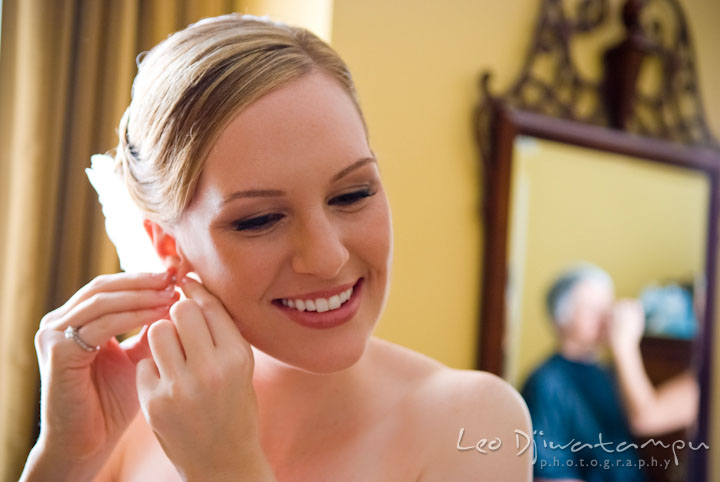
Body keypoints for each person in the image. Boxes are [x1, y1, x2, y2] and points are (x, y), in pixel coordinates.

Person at [19, 14, 532, 481]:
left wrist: (227, 469)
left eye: (353, 193)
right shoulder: (137, 413)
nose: (328, 256)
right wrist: (66, 456)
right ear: (167, 243)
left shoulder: (472, 422)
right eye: (260, 219)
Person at [521, 264, 699, 482]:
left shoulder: (613, 375)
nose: (607, 317)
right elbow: (549, 472)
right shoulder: (546, 383)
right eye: (591, 308)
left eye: (607, 305)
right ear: (561, 319)